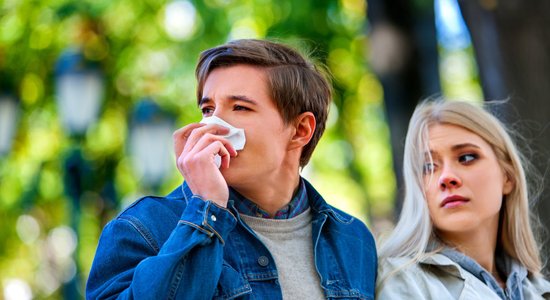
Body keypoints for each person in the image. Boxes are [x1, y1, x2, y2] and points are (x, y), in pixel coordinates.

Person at [87, 39, 377, 299]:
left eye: (239, 107)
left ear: (300, 130)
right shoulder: (143, 228)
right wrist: (207, 209)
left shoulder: (354, 241)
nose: (213, 126)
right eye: (207, 109)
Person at [376, 99, 550, 299]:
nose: (446, 177)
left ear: (507, 177)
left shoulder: (541, 291)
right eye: (429, 167)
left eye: (466, 157)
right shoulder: (401, 279)